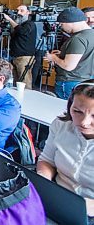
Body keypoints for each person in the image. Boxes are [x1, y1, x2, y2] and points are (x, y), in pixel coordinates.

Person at [36, 80, 94, 221]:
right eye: (77, 111)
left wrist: (81, 206)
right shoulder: (61, 125)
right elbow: (47, 161)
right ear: (69, 107)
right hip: (57, 200)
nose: (84, 122)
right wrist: (43, 182)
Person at [45, 7, 94, 100]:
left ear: (70, 22)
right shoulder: (91, 34)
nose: (61, 27)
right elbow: (85, 54)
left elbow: (68, 66)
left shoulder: (78, 39)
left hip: (70, 81)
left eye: (62, 24)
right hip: (85, 79)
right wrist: (64, 53)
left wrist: (53, 58)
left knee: (64, 109)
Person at [3, 5, 37, 89]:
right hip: (15, 57)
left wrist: (10, 20)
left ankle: (27, 100)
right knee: (15, 83)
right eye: (17, 10)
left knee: (25, 83)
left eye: (21, 11)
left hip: (25, 58)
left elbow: (21, 31)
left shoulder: (30, 24)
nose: (18, 13)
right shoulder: (19, 25)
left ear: (28, 12)